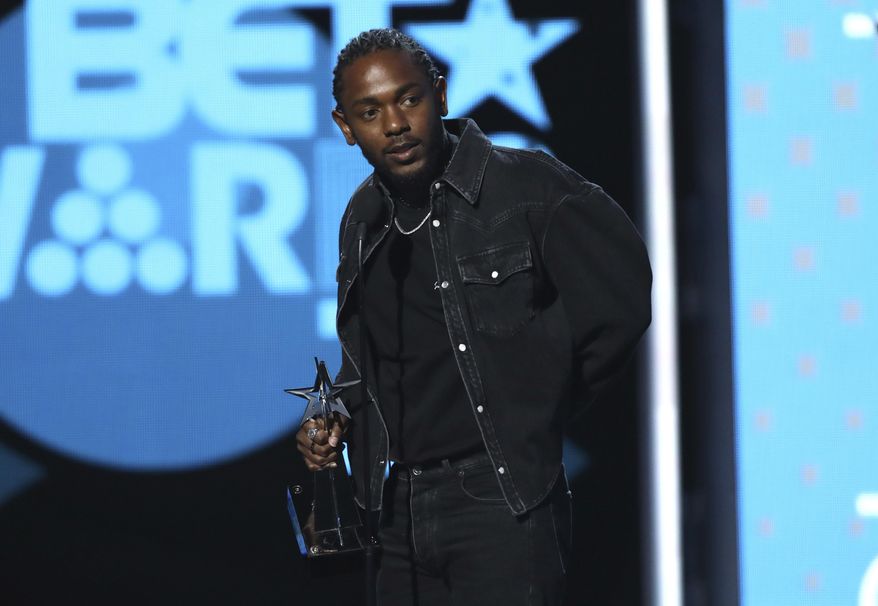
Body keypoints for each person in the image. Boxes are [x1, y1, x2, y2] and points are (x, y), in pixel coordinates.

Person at [296, 28, 651, 605]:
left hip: (500, 498)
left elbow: (621, 300)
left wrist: (538, 410)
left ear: (439, 94)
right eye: (369, 111)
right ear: (345, 127)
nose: (394, 124)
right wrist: (334, 421)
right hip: (397, 509)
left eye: (408, 99)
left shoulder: (526, 186)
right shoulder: (361, 219)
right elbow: (371, 359)